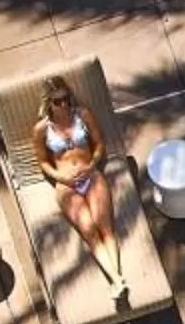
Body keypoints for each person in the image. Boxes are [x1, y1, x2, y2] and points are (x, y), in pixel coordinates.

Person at [34, 79, 129, 304]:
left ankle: (117, 282)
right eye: (58, 101)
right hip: (66, 184)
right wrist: (61, 177)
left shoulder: (83, 115)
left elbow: (99, 144)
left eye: (67, 98)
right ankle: (117, 280)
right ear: (49, 103)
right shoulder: (41, 130)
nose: (64, 104)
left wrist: (92, 164)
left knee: (105, 227)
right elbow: (43, 163)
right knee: (89, 230)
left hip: (91, 176)